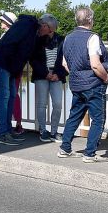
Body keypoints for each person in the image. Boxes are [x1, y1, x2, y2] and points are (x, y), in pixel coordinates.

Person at [58, 7, 108, 163]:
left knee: (74, 115)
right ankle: (90, 154)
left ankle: (65, 148)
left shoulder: (68, 38)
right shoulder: (92, 38)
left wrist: (77, 74)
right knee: (98, 119)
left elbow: (65, 64)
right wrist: (105, 78)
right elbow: (96, 65)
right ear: (90, 19)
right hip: (92, 84)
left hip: (76, 84)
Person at [0, 12, 51, 146]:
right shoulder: (27, 26)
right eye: (49, 30)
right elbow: (13, 44)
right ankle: (2, 133)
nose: (49, 33)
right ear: (44, 25)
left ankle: (7, 131)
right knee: (4, 96)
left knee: (11, 95)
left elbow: (30, 54)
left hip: (10, 65)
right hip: (3, 62)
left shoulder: (33, 32)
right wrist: (14, 64)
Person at [30, 14, 67, 143]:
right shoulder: (36, 40)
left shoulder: (62, 40)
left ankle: (54, 131)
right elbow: (33, 60)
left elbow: (66, 60)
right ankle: (43, 130)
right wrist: (45, 73)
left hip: (57, 76)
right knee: (41, 104)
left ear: (50, 27)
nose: (40, 27)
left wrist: (59, 74)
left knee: (58, 104)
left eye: (42, 25)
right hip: (42, 75)